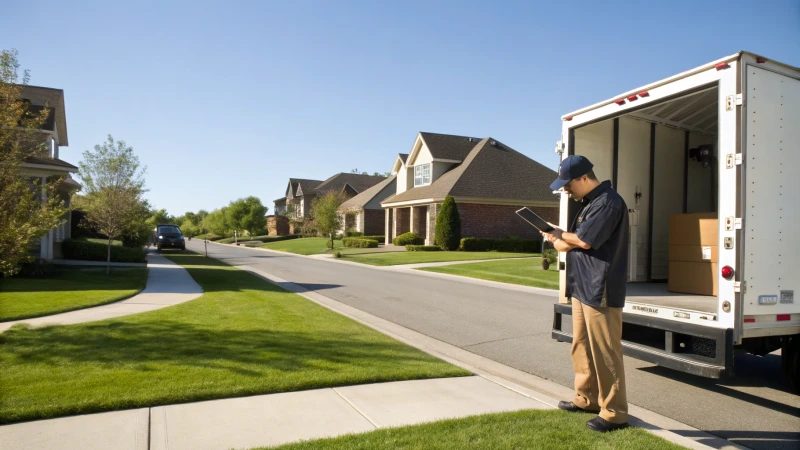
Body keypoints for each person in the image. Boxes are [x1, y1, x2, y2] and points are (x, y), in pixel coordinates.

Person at [541, 155, 630, 433]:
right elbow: (575, 239)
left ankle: (614, 413)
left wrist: (558, 238)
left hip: (600, 287)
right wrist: (559, 236)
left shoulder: (608, 202)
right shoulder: (589, 203)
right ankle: (586, 398)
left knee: (606, 352)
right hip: (582, 286)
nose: (565, 189)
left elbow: (583, 240)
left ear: (583, 178)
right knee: (580, 346)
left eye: (568, 184)